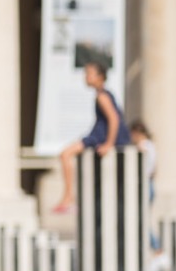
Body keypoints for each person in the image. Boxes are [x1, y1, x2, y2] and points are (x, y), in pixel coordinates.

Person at [52, 62, 130, 213]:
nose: (85, 77)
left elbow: (114, 119)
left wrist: (109, 143)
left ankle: (68, 197)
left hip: (100, 136)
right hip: (99, 134)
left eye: (89, 74)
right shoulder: (102, 94)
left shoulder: (102, 96)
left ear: (100, 77)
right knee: (66, 154)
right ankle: (69, 197)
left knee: (65, 154)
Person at [130, 120, 167, 271]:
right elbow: (155, 170)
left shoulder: (143, 147)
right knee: (142, 220)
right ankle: (156, 252)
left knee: (142, 221)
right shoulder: (151, 146)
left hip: (144, 185)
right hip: (150, 185)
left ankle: (158, 250)